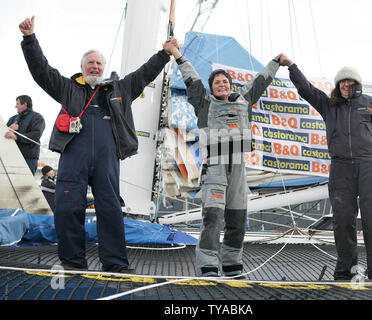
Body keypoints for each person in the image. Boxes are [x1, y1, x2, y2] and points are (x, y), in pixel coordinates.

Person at [19, 16, 175, 273]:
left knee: (111, 209)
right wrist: (29, 39)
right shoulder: (67, 88)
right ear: (82, 67)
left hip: (107, 158)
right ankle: (72, 261)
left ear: (104, 68)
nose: (95, 67)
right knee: (68, 207)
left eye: (99, 63)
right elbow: (41, 70)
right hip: (73, 156)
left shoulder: (121, 88)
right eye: (90, 63)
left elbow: (145, 73)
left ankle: (115, 263)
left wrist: (163, 53)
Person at [278, 54, 372, 280]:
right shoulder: (329, 105)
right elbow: (306, 90)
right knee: (343, 219)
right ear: (338, 85)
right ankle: (346, 269)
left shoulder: (371, 104)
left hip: (370, 166)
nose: (346, 84)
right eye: (342, 81)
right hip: (341, 168)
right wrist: (292, 66)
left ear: (357, 84)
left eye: (350, 81)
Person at [164, 40, 281, 278]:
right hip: (215, 166)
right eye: (217, 82)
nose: (222, 85)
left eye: (225, 81)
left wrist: (276, 61)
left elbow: (261, 80)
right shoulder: (204, 103)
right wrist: (176, 54)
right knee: (213, 217)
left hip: (238, 167)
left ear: (231, 86)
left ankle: (231, 265)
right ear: (211, 88)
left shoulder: (244, 101)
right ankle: (207, 265)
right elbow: (191, 78)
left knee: (237, 219)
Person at [5, 95, 45, 175]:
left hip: (29, 158)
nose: (15, 106)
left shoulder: (38, 118)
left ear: (25, 104)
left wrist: (16, 136)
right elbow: (4, 134)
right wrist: (9, 128)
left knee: (26, 185)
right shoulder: (13, 118)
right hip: (13, 157)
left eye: (17, 104)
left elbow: (35, 136)